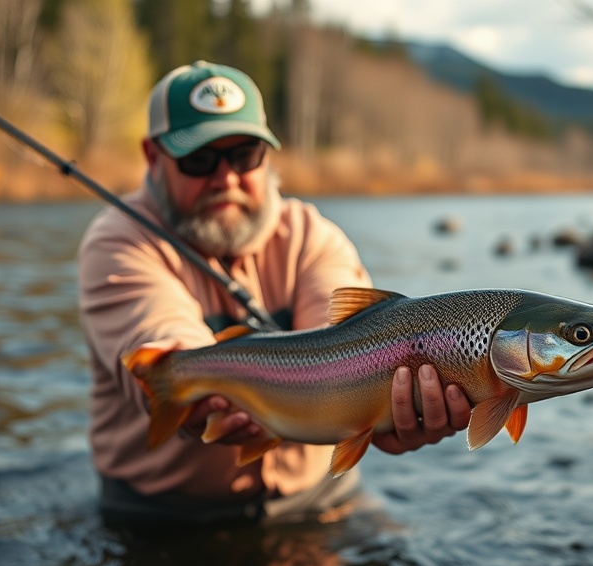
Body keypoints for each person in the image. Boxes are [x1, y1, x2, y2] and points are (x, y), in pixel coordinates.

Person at [77, 60, 472, 525]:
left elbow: (345, 335)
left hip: (320, 499)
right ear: (152, 157)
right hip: (167, 517)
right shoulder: (119, 243)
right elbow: (159, 343)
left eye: (244, 156)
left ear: (267, 155)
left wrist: (386, 405)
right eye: (199, 159)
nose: (225, 178)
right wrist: (197, 403)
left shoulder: (311, 235)